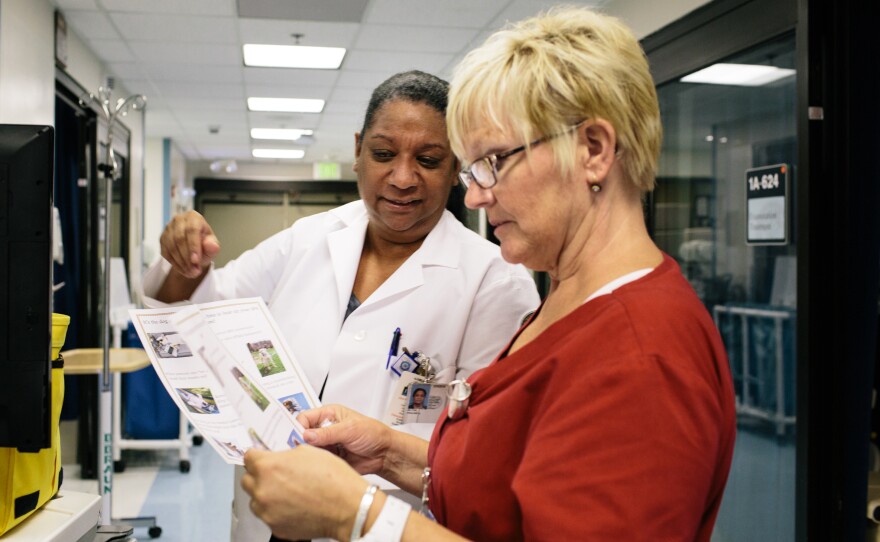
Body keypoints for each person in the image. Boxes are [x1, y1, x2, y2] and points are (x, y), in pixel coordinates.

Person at [240, 7, 736, 542]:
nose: (473, 195)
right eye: (472, 168)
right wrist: (385, 450)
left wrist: (356, 515)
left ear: (593, 150)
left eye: (493, 162)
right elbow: (501, 482)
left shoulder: (641, 357)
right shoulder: (569, 302)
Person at [142, 70, 539, 541]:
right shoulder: (310, 237)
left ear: (457, 167)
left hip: (384, 526)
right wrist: (182, 263)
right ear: (357, 150)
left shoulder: (494, 281)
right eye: (383, 154)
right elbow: (198, 312)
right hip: (267, 515)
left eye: (429, 160)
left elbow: (483, 450)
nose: (403, 177)